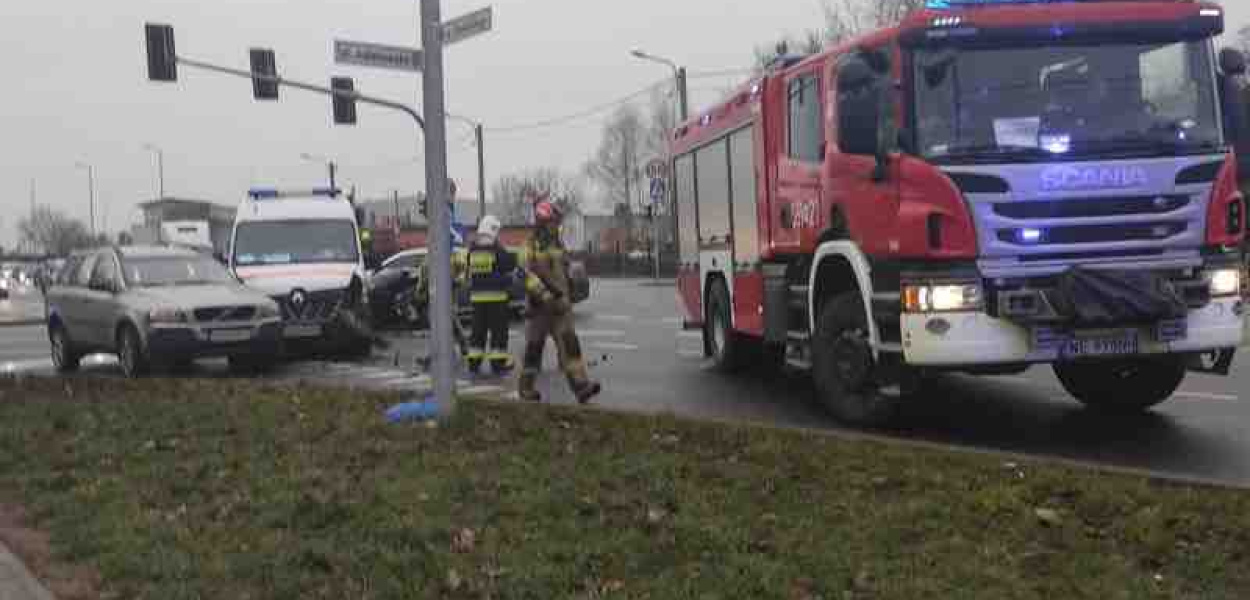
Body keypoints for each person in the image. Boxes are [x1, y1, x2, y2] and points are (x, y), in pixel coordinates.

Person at [518, 195, 602, 404]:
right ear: (543, 223)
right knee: (534, 350)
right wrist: (545, 296)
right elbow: (526, 275)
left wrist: (569, 292)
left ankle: (581, 387)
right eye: (553, 223)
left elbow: (564, 272)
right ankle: (526, 387)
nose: (557, 227)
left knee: (571, 346)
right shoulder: (529, 246)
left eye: (557, 223)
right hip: (539, 309)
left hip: (561, 308)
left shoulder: (559, 245)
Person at [465, 215, 517, 375]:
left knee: (478, 332)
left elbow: (474, 271)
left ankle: (474, 362)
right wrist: (510, 278)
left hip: (477, 299)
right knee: (498, 333)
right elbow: (508, 264)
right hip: (497, 298)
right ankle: (497, 364)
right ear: (493, 230)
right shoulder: (496, 249)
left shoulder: (472, 250)